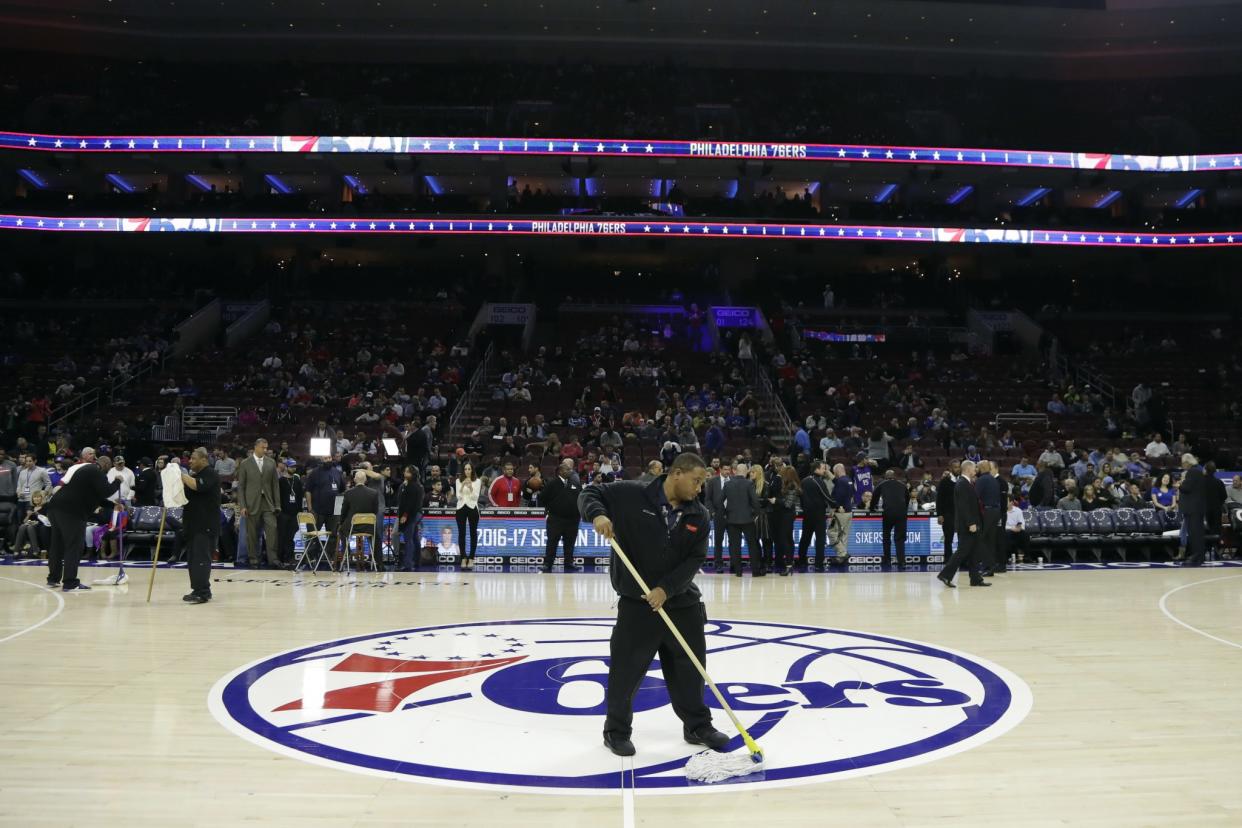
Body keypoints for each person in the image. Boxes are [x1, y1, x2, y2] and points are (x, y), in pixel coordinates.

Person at [578, 452, 729, 758]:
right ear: (677, 474)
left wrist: (666, 589)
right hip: (637, 605)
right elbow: (589, 493)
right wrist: (598, 514)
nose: (700, 489)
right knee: (625, 670)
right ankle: (616, 730)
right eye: (696, 481)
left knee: (690, 668)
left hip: (681, 603)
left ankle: (697, 725)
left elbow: (695, 559)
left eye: (702, 483)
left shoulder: (699, 515)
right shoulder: (632, 494)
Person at [45, 447, 121, 591]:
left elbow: (97, 496)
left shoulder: (84, 471)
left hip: (55, 507)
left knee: (57, 544)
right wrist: (118, 481)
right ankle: (70, 582)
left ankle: (53, 579)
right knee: (74, 546)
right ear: (104, 465)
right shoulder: (95, 471)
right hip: (71, 512)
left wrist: (114, 505)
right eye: (109, 467)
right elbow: (106, 491)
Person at [176, 447, 221, 604]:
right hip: (193, 525)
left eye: (194, 458)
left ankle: (203, 592)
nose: (190, 461)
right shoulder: (195, 475)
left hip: (205, 525)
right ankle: (197, 589)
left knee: (201, 558)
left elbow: (198, 486)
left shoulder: (210, 474)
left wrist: (181, 475)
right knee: (193, 559)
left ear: (204, 460)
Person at [937, 460, 989, 588]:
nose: (975, 470)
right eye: (974, 468)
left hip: (971, 523)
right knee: (962, 551)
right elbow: (963, 506)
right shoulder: (962, 484)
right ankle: (945, 574)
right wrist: (971, 522)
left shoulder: (966, 483)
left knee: (973, 552)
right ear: (967, 469)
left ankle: (975, 578)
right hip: (967, 525)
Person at [236, 438, 282, 569]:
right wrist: (243, 506)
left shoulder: (271, 462)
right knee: (252, 534)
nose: (265, 450)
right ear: (255, 447)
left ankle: (273, 560)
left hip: (268, 503)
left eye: (266, 448)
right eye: (263, 447)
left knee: (272, 531)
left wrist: (277, 504)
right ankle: (253, 560)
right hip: (251, 504)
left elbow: (275, 485)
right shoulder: (245, 463)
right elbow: (241, 487)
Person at [541, 459, 582, 572]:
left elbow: (581, 498)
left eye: (570, 469)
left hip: (573, 520)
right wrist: (551, 509)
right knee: (552, 542)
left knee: (570, 543)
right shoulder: (552, 483)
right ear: (560, 471)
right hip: (556, 519)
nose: (570, 471)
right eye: (567, 469)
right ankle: (548, 564)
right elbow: (542, 498)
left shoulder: (575, 483)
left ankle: (568, 563)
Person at [723, 463, 762, 577]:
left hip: (732, 520)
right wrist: (755, 514)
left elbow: (720, 501)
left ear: (736, 471)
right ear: (745, 472)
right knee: (752, 545)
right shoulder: (749, 483)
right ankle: (755, 571)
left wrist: (725, 514)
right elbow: (755, 501)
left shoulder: (728, 484)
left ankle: (738, 572)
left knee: (735, 546)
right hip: (748, 520)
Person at [304, 458, 344, 564]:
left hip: (333, 511)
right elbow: (308, 491)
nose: (328, 460)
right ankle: (311, 558)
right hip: (317, 510)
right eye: (326, 458)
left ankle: (332, 558)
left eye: (330, 458)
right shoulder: (315, 473)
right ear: (322, 459)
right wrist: (310, 508)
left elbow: (342, 490)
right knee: (312, 536)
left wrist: (339, 510)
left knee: (333, 536)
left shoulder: (337, 472)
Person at [339, 469, 381, 567]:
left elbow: (343, 511)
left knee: (341, 531)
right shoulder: (374, 493)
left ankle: (347, 555)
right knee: (376, 537)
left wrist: (341, 522)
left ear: (354, 480)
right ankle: (378, 563)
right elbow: (375, 511)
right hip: (368, 526)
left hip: (352, 527)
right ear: (365, 480)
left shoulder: (348, 493)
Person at [797, 461, 833, 571]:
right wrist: (836, 505)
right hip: (818, 514)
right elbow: (827, 496)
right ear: (816, 469)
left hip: (807, 514)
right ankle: (818, 564)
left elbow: (801, 497)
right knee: (820, 539)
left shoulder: (804, 480)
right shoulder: (819, 481)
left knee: (805, 539)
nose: (824, 471)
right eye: (823, 468)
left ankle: (801, 560)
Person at [873, 469, 909, 570]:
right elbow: (908, 497)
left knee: (886, 537)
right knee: (900, 539)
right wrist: (904, 509)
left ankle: (887, 560)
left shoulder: (882, 484)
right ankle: (902, 562)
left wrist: (872, 508)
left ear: (885, 477)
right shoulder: (902, 484)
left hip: (888, 513)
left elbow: (874, 497)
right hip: (901, 514)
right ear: (895, 477)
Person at [975, 460, 1004, 576]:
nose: (976, 470)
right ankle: (990, 568)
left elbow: (975, 496)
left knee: (982, 539)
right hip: (996, 511)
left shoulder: (981, 480)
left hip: (987, 512)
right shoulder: (993, 479)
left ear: (982, 468)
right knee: (991, 540)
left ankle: (989, 565)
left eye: (977, 467)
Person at [772, 466, 800, 576]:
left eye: (783, 473)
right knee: (788, 539)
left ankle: (789, 565)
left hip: (787, 516)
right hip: (785, 516)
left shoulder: (792, 486)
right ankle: (790, 564)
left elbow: (788, 504)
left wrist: (776, 501)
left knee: (785, 540)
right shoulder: (788, 485)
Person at [396, 465, 425, 572]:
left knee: (408, 539)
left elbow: (410, 503)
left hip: (411, 514)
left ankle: (408, 564)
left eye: (407, 472)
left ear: (412, 474)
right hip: (416, 514)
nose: (404, 473)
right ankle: (417, 561)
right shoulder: (412, 485)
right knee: (414, 537)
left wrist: (405, 515)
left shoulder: (412, 486)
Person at [1180, 454, 1207, 567]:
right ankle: (1200, 556)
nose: (1182, 465)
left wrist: (1180, 484)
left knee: (1194, 533)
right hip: (1198, 507)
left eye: (1183, 463)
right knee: (1198, 533)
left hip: (1193, 508)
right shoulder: (1199, 471)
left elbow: (1186, 488)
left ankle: (1196, 555)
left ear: (1187, 462)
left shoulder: (1192, 472)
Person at [704, 463, 731, 572]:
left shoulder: (733, 481)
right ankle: (718, 564)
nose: (727, 471)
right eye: (725, 469)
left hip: (731, 515)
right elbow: (708, 499)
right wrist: (713, 512)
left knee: (733, 541)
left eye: (729, 469)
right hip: (718, 515)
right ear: (720, 470)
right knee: (718, 541)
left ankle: (734, 563)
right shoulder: (713, 481)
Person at [455, 462, 482, 569]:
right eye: (465, 469)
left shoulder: (477, 481)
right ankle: (463, 558)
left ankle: (471, 558)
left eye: (469, 469)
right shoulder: (458, 481)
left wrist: (470, 487)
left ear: (472, 470)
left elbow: (475, 497)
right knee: (461, 533)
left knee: (473, 533)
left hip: (472, 508)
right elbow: (459, 497)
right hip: (461, 507)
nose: (467, 471)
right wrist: (462, 486)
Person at [828, 463, 855, 567]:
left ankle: (843, 553)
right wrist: (828, 472)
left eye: (834, 472)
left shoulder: (840, 482)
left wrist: (835, 508)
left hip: (840, 512)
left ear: (837, 471)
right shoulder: (848, 480)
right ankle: (841, 558)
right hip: (849, 511)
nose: (834, 474)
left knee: (832, 533)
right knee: (844, 535)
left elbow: (837, 497)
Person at [276, 460, 303, 565]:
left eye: (295, 467)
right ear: (286, 467)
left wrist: (299, 512)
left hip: (294, 513)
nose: (294, 468)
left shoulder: (297, 480)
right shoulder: (281, 481)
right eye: (291, 467)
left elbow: (300, 496)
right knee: (282, 536)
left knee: (291, 536)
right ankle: (280, 557)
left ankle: (290, 557)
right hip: (283, 513)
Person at [13, 489, 50, 558]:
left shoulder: (46, 506)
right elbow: (24, 521)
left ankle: (35, 551)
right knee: (22, 526)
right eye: (34, 497)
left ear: (42, 498)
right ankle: (16, 551)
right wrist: (28, 515)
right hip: (31, 525)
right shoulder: (31, 507)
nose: (36, 499)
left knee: (29, 527)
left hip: (41, 525)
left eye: (38, 497)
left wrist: (37, 514)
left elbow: (47, 520)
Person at [936, 460, 960, 560]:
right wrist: (940, 514)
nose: (958, 469)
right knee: (948, 538)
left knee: (962, 539)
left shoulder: (962, 480)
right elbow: (939, 499)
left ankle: (961, 560)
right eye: (955, 467)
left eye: (959, 467)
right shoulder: (944, 481)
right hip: (948, 514)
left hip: (960, 514)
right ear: (950, 468)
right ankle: (948, 559)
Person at [1004, 495, 1029, 565]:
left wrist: (1019, 528)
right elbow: (1001, 525)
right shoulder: (1001, 511)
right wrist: (1011, 528)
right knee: (1007, 533)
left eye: (1006, 501)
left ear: (1011, 502)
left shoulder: (1018, 511)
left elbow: (1022, 523)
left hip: (1017, 531)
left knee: (1025, 534)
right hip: (1007, 531)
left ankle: (1026, 556)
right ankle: (1007, 557)